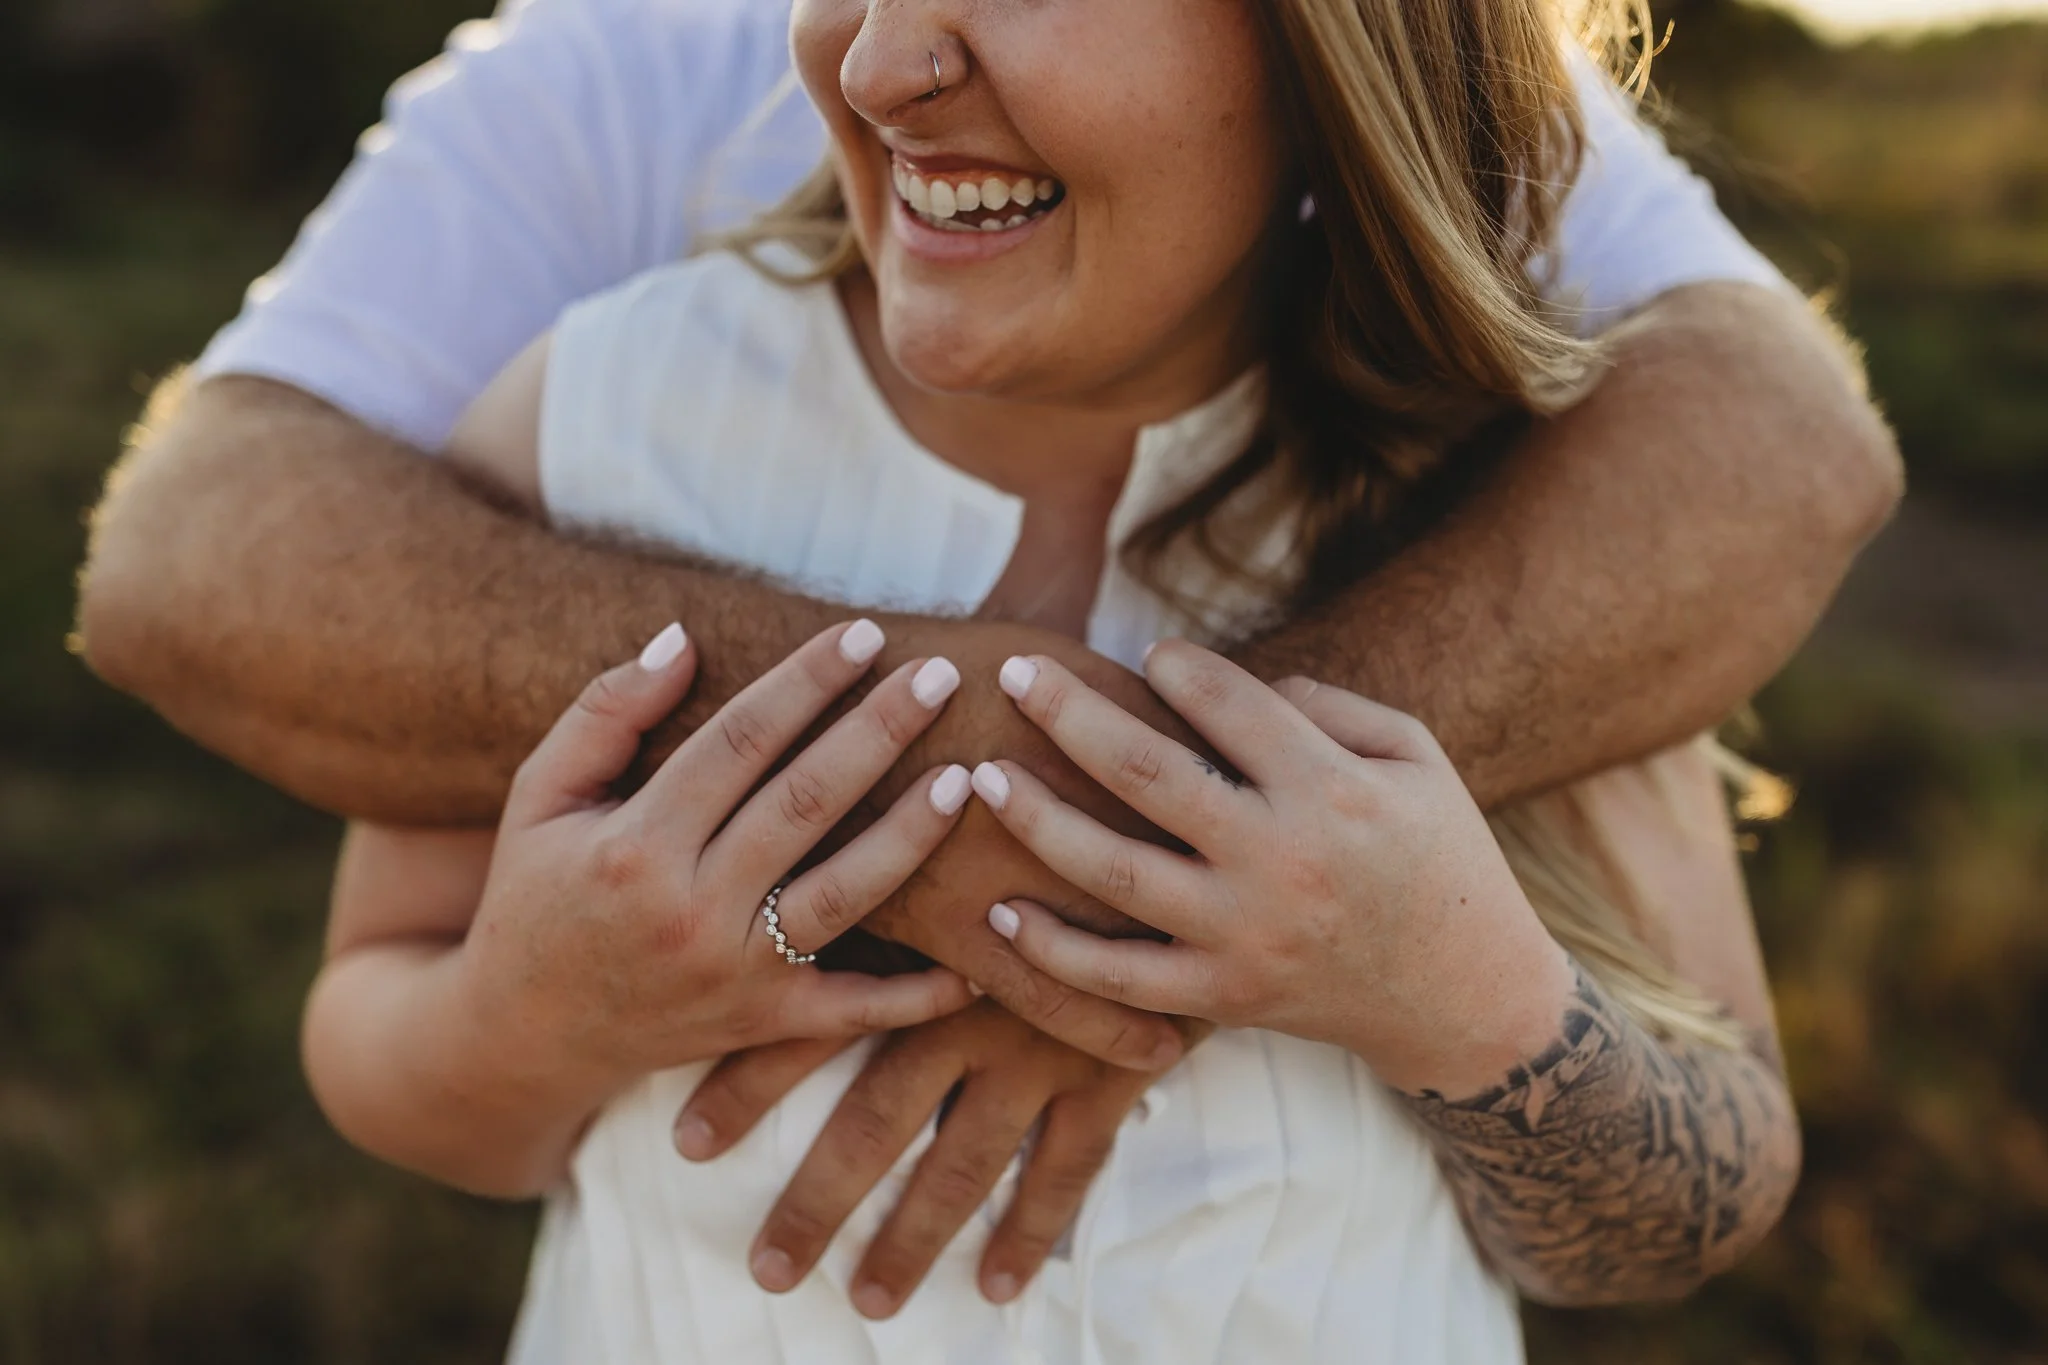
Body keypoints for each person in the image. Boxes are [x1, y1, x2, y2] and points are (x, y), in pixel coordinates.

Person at [71, 0, 1900, 1351]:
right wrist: (537, 1015)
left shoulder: (1505, 504)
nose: (872, 64)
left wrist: (1459, 995)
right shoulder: (604, 430)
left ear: (1333, 49)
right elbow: (376, 1024)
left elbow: (1692, 1206)